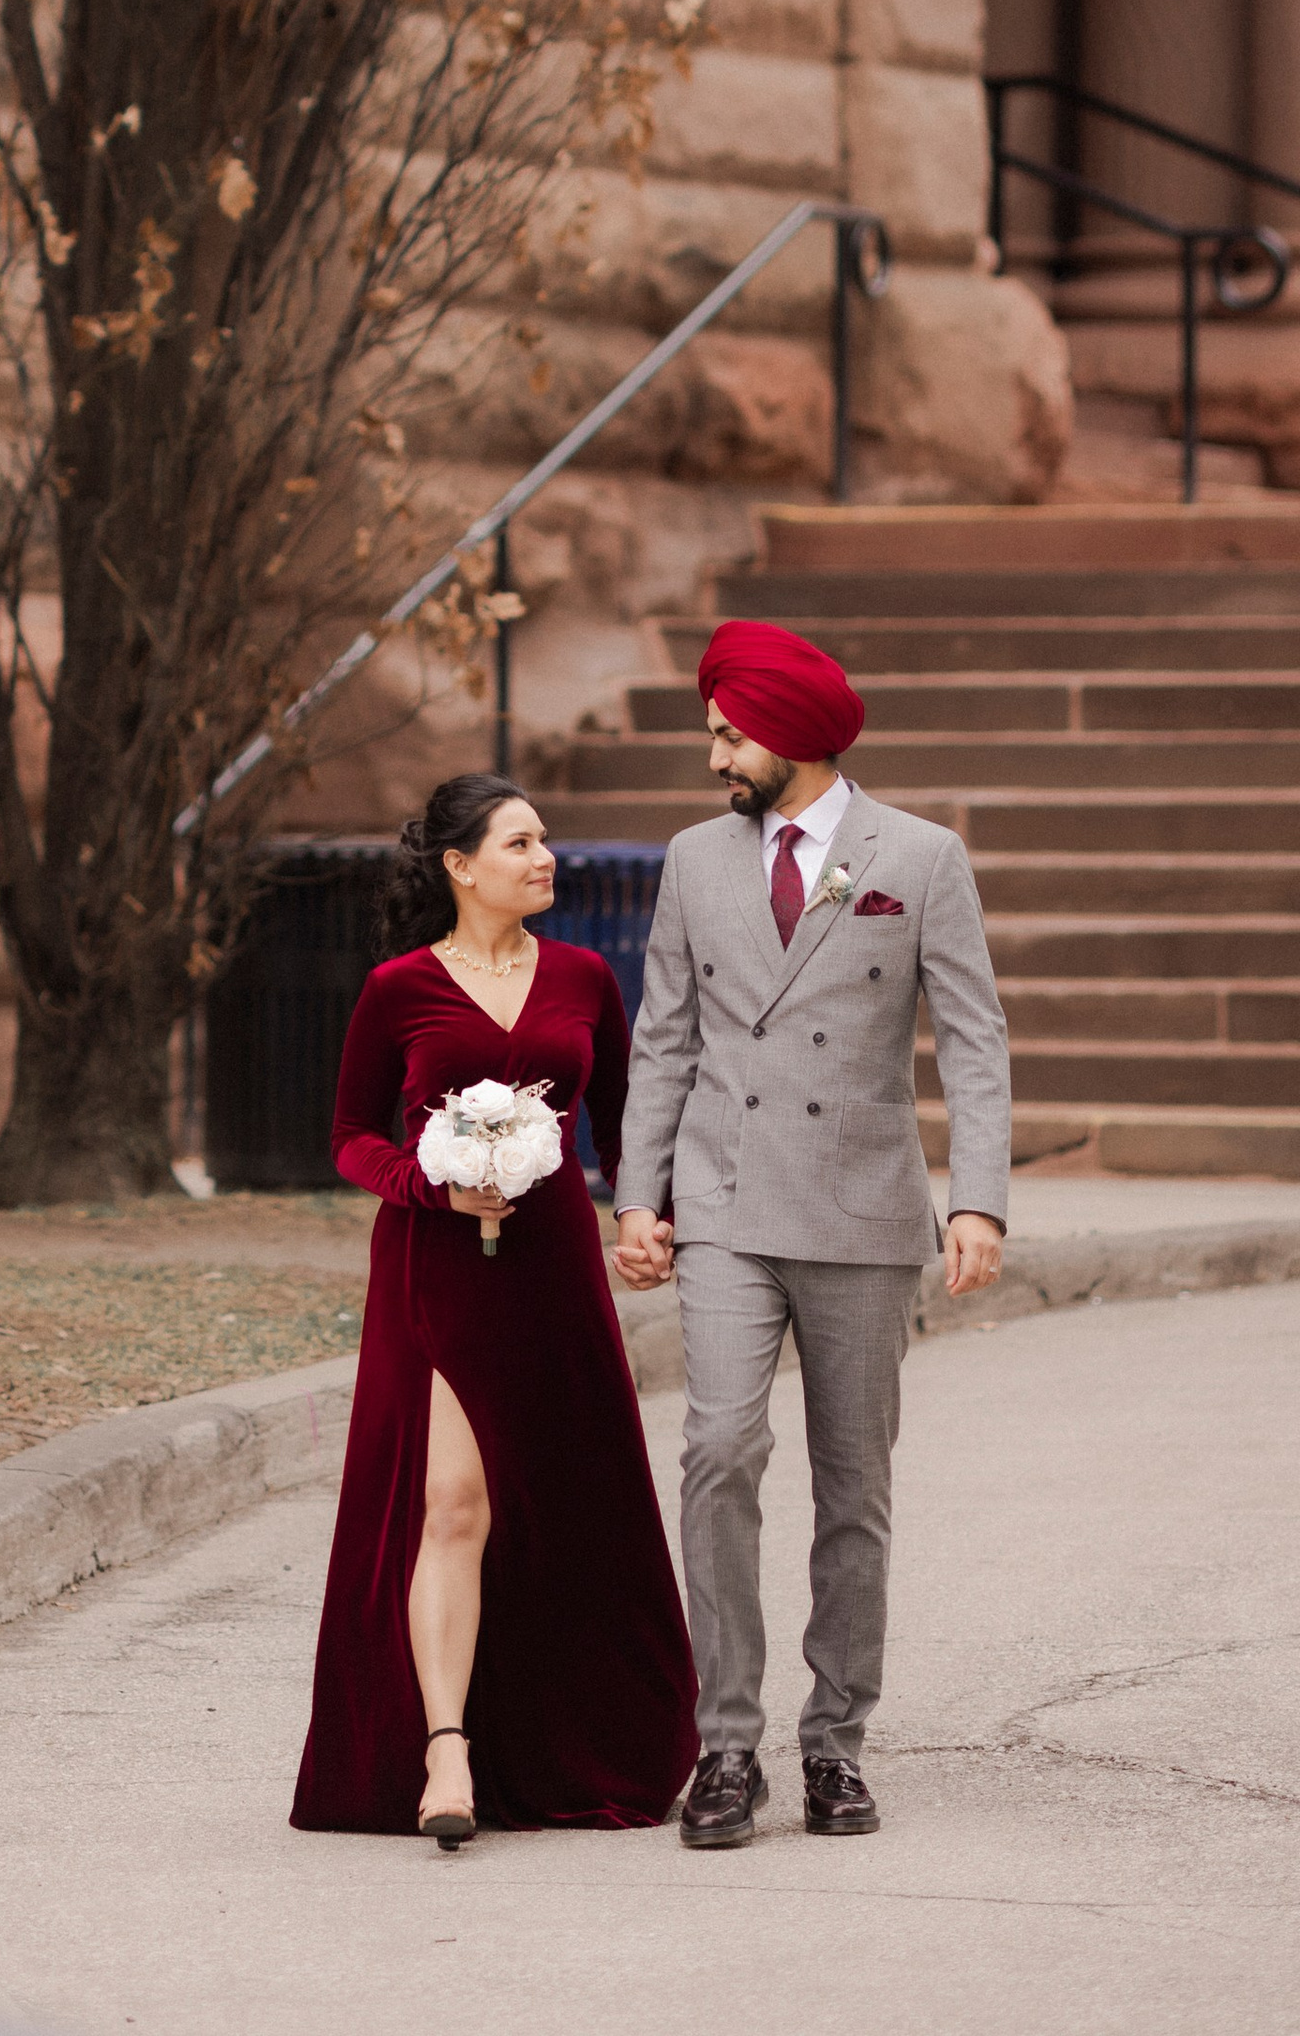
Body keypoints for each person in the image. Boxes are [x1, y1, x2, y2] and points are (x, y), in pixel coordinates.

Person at [611, 616, 1012, 1851]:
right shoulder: (693, 857)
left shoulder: (922, 855)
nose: (714, 758)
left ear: (787, 733)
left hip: (861, 1210)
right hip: (724, 1201)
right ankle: (724, 1746)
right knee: (718, 1450)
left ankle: (835, 1743)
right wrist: (638, 1196)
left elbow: (975, 1036)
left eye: (728, 735)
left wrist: (977, 1197)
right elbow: (664, 1034)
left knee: (855, 1488)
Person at [291, 772, 698, 1849]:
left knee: (560, 1505)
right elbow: (346, 1134)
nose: (545, 857)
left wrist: (643, 1219)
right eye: (520, 842)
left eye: (546, 839)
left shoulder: (582, 979)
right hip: (438, 1268)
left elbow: (619, 1125)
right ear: (460, 867)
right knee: (454, 1505)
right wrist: (430, 1184)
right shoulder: (397, 989)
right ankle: (444, 1748)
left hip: (554, 1264)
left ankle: (568, 1740)